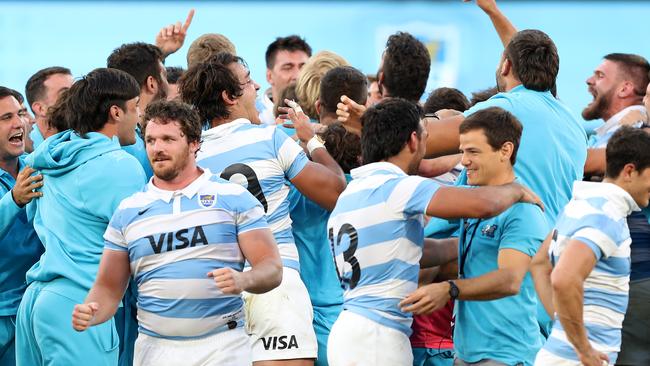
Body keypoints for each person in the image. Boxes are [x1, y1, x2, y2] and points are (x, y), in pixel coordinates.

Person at [327, 98, 542, 366]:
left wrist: (467, 245)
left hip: (348, 331)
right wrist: (517, 190)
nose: (464, 162)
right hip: (378, 337)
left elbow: (417, 248)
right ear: (413, 141)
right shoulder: (400, 188)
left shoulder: (352, 193)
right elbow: (484, 204)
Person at [71, 100, 283, 366]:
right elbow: (108, 289)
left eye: (168, 139)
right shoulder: (128, 211)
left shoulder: (234, 197)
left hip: (224, 346)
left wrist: (244, 280)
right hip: (155, 349)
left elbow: (272, 268)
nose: (157, 148)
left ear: (194, 143)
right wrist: (91, 312)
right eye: (150, 140)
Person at [180, 52, 346, 365]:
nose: (257, 86)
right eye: (248, 81)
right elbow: (336, 193)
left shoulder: (190, 156)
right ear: (229, 97)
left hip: (216, 292)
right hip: (276, 286)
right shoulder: (270, 139)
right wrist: (311, 142)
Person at [15, 68, 146, 366]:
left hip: (35, 301)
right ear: (115, 112)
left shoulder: (49, 156)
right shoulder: (119, 165)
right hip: (81, 304)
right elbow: (139, 245)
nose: (138, 116)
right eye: (135, 106)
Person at [403, 107, 547, 366]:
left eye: (473, 152)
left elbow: (510, 280)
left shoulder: (523, 211)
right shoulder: (477, 201)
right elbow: (450, 249)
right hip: (467, 353)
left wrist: (449, 289)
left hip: (506, 355)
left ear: (505, 150)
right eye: (462, 151)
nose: (464, 161)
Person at [532, 126, 650, 366]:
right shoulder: (607, 216)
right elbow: (564, 279)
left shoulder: (581, 204)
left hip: (561, 354)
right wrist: (583, 348)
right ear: (630, 171)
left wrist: (564, 325)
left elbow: (540, 264)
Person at [0, 87, 44, 366]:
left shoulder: (37, 165)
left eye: (19, 114)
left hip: (36, 306)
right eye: (5, 117)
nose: (19, 123)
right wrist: (13, 200)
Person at [108, 41, 171, 179]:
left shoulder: (111, 135)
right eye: (165, 76)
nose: (168, 84)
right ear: (151, 83)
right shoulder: (130, 142)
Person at [583, 53, 650, 176]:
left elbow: (584, 162)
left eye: (600, 76)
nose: (589, 80)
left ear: (624, 89)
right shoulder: (621, 128)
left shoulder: (638, 128)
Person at [260, 35, 312, 125]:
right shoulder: (254, 117)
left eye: (303, 67)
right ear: (269, 76)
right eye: (288, 68)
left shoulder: (322, 112)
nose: (298, 75)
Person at [24, 67, 73, 149]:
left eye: (76, 91)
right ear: (40, 108)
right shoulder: (20, 152)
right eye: (65, 94)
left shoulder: (85, 141)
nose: (76, 98)